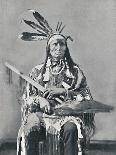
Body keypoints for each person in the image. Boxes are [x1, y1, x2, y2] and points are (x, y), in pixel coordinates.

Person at [17, 10, 95, 155]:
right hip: (41, 115)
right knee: (29, 127)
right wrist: (39, 99)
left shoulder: (75, 72)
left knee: (71, 129)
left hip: (66, 116)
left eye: (62, 45)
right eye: (54, 45)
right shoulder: (37, 71)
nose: (58, 48)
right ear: (48, 48)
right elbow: (26, 99)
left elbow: (87, 99)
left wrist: (65, 92)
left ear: (66, 48)